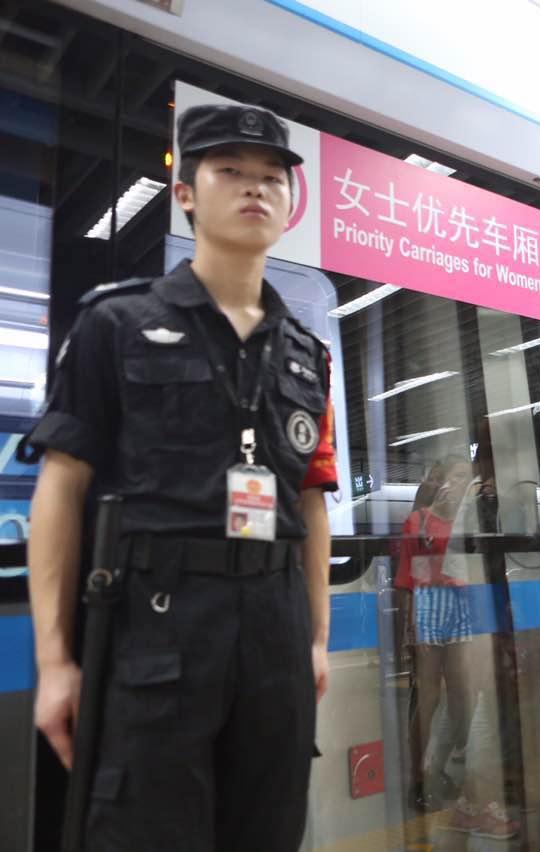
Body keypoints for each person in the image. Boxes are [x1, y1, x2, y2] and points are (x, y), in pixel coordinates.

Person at [24, 104, 336, 851]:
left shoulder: (306, 356)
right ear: (186, 193)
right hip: (154, 632)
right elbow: (61, 489)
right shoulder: (115, 324)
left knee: (268, 830)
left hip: (275, 635)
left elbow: (309, 502)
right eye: (229, 171)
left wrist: (316, 640)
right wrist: (55, 662)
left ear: (291, 206)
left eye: (272, 178)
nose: (254, 188)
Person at [394, 456, 474, 812]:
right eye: (455, 478)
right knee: (428, 700)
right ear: (440, 481)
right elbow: (408, 580)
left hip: (460, 605)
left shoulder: (465, 522)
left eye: (464, 480)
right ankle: (417, 778)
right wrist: (409, 632)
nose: (458, 486)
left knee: (462, 698)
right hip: (428, 605)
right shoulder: (419, 521)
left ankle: (441, 765)